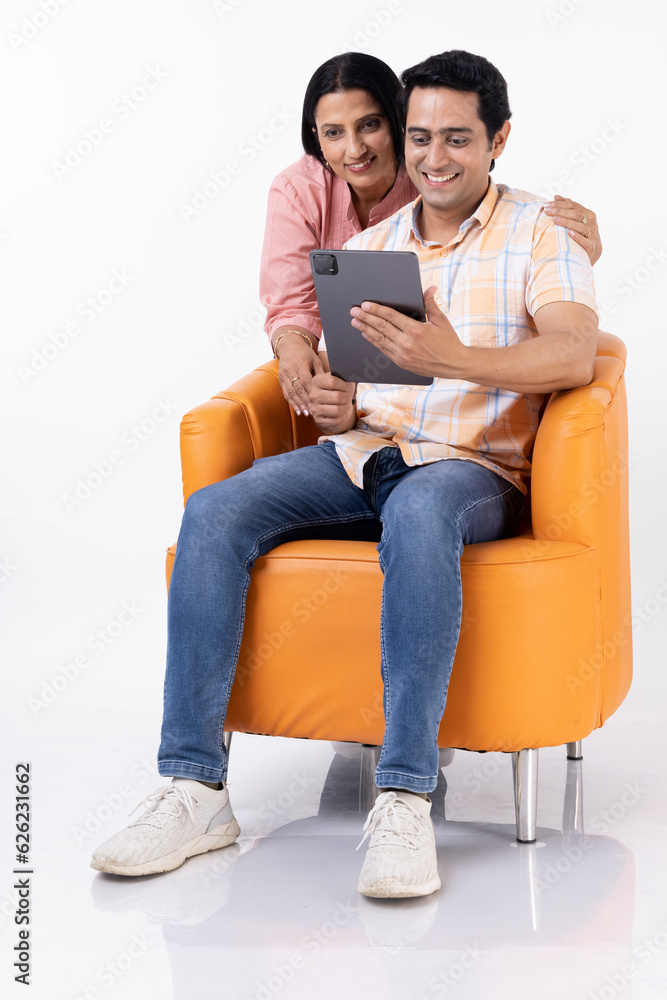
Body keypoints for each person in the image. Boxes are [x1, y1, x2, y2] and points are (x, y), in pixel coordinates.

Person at [91, 50, 598, 900]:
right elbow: (346, 384)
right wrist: (329, 397)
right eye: (421, 137)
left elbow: (574, 351)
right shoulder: (368, 248)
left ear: (498, 139)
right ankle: (193, 787)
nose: (435, 158)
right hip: (365, 454)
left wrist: (455, 357)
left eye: (458, 139)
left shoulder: (541, 231)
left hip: (470, 466)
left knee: (422, 514)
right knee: (214, 511)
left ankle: (403, 794)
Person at [261, 52, 601, 418]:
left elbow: (568, 346)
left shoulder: (485, 205)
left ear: (394, 125)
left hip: (464, 449)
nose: (355, 149)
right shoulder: (329, 215)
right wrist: (317, 377)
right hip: (362, 447)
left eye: (370, 125)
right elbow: (310, 320)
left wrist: (573, 253)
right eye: (333, 132)